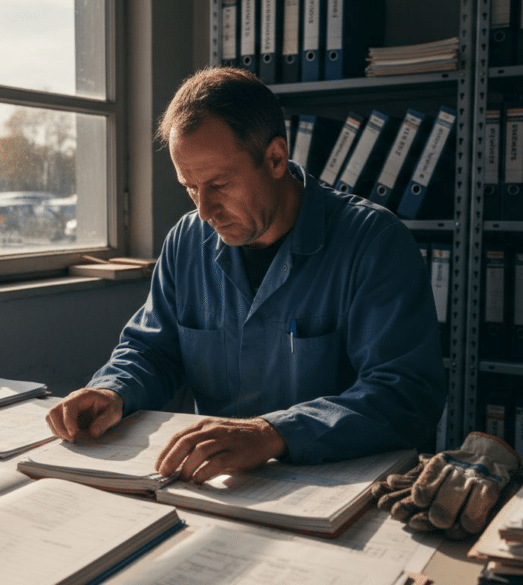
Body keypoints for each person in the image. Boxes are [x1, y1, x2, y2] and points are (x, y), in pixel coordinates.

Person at [46, 66, 446, 485]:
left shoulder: (374, 243)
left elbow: (405, 395)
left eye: (219, 184)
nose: (204, 211)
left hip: (336, 489)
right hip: (216, 486)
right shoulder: (187, 240)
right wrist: (114, 389)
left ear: (275, 158)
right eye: (190, 187)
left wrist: (275, 433)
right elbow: (154, 349)